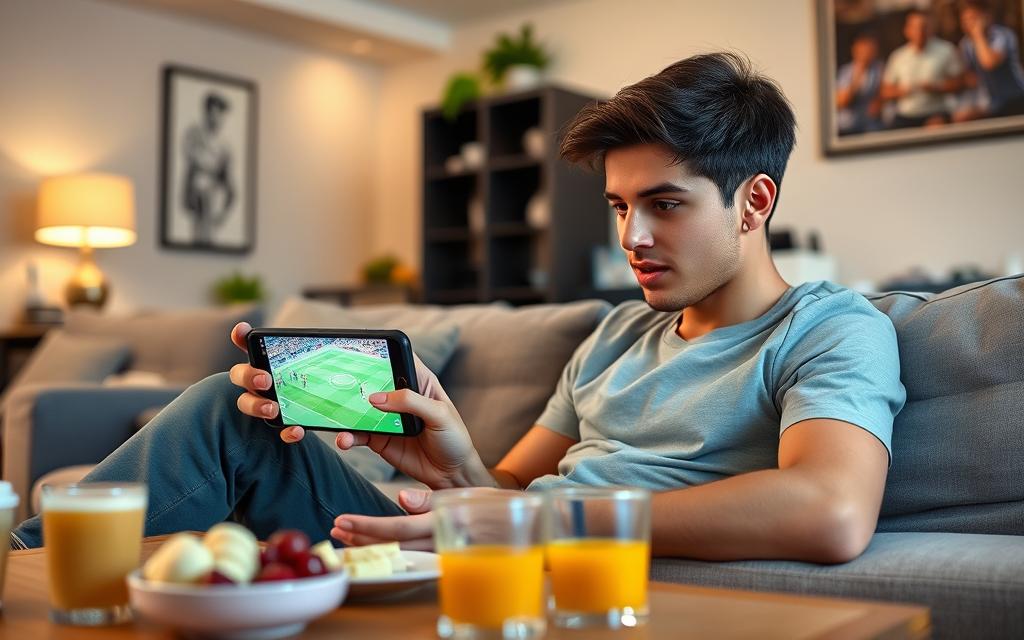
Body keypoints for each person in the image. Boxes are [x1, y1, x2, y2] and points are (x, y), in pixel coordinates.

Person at [11, 53, 904, 565]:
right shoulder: (615, 334)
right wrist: (452, 461)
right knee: (233, 412)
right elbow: (503, 491)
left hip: (546, 561)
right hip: (493, 547)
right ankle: (26, 564)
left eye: (665, 204)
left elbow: (829, 509)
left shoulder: (830, 328)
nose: (632, 235)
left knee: (218, 417)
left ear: (753, 202)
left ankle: (21, 563)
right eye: (619, 206)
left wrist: (532, 518)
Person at [880, 10, 964, 128]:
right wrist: (902, 91)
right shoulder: (897, 56)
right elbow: (885, 91)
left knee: (937, 128)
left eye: (923, 27)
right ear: (907, 30)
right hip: (906, 115)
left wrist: (936, 87)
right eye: (915, 27)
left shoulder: (946, 50)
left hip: (936, 113)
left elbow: (960, 83)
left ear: (930, 28)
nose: (919, 31)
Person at [955, 0, 1024, 120]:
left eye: (973, 18)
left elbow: (989, 63)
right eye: (965, 20)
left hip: (1016, 99)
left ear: (987, 17)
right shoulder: (965, 44)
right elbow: (970, 77)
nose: (969, 24)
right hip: (991, 103)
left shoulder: (1003, 35)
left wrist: (978, 35)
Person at [182, 92, 236, 246]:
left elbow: (225, 173)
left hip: (216, 195)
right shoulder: (194, 134)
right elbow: (195, 158)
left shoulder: (225, 144)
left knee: (211, 233)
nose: (217, 118)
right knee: (200, 232)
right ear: (207, 113)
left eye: (220, 114)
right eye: (214, 113)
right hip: (199, 192)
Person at [835, 32, 884, 135]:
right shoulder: (846, 72)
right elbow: (842, 101)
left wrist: (879, 102)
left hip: (870, 126)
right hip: (847, 125)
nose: (866, 52)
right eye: (862, 49)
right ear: (854, 50)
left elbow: (884, 92)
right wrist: (859, 73)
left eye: (869, 48)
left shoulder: (879, 69)